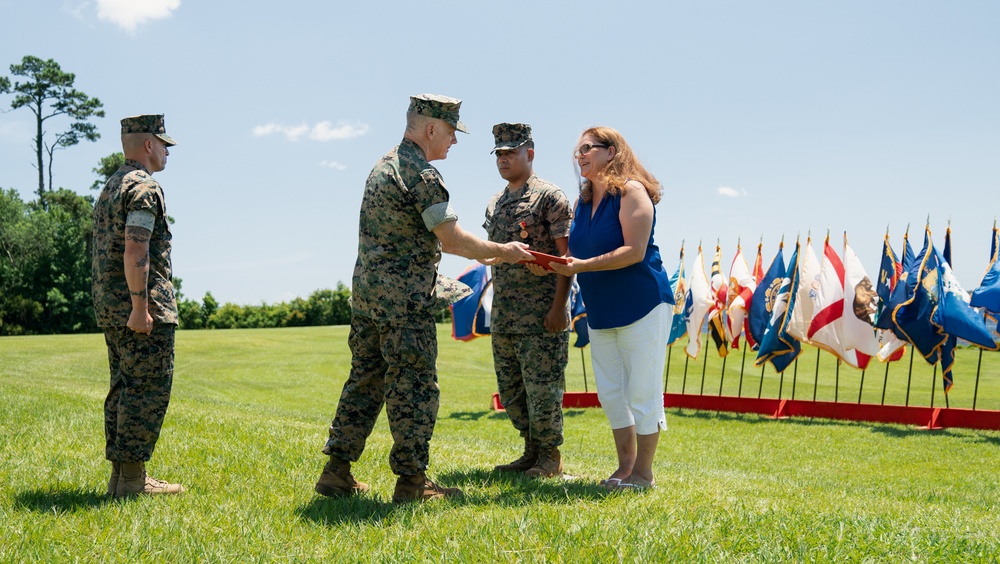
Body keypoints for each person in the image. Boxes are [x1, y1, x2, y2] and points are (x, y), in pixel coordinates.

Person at [314, 94, 534, 503]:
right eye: (451, 132)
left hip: (367, 298)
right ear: (431, 128)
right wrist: (505, 251)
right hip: (405, 303)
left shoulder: (382, 166)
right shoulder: (421, 174)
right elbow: (450, 239)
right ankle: (413, 483)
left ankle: (337, 470)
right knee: (413, 387)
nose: (453, 141)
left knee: (364, 381)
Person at [539, 126, 673, 491]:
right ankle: (625, 469)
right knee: (612, 393)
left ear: (611, 152)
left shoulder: (632, 191)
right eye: (577, 151)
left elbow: (634, 251)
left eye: (587, 148)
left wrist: (580, 266)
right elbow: (573, 256)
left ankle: (644, 476)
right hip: (601, 311)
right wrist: (553, 264)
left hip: (642, 305)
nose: (579, 155)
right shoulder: (583, 202)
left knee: (643, 391)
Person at [92, 114, 184, 497]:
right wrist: (140, 307)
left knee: (123, 387)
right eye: (163, 144)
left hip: (111, 305)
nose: (166, 151)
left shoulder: (111, 185)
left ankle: (123, 477)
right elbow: (136, 247)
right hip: (137, 306)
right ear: (149, 144)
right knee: (146, 389)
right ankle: (132, 481)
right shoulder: (144, 188)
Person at [484, 123, 573, 478]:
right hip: (505, 314)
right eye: (499, 154)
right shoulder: (496, 202)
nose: (504, 159)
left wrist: (558, 307)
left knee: (543, 390)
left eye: (511, 152)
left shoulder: (550, 197)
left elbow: (568, 260)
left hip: (541, 316)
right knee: (512, 391)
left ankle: (550, 456)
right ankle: (531, 450)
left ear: (529, 153)